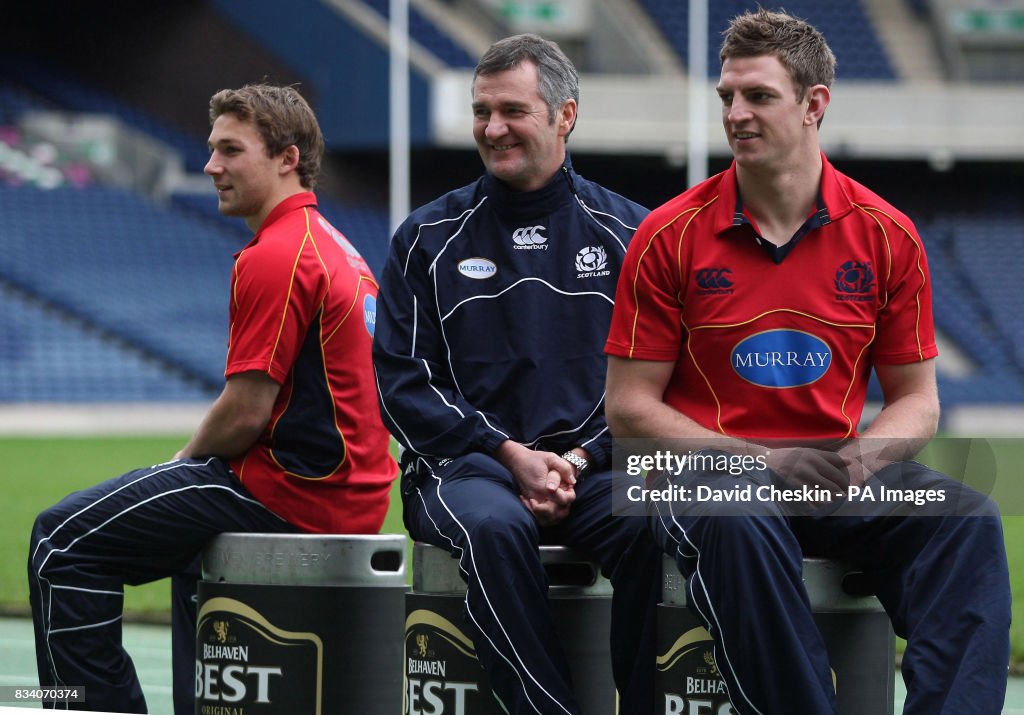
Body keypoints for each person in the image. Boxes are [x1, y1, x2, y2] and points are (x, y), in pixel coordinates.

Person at [604, 8, 1011, 715]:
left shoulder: (888, 234)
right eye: (727, 96)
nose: (736, 113)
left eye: (758, 96)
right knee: (738, 511)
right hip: (705, 477)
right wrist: (761, 460)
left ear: (813, 104)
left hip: (830, 474)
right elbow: (630, 409)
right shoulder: (666, 235)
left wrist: (862, 458)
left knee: (965, 520)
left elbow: (918, 399)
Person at [27, 83, 397, 713]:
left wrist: (182, 460)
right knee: (186, 545)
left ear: (287, 157)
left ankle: (86, 707)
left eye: (230, 150)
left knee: (60, 543)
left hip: (290, 493)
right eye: (211, 149)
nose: (211, 167)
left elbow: (245, 410)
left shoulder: (277, 254)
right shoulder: (335, 244)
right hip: (346, 493)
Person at [373, 33, 659, 715]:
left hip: (595, 468)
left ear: (565, 115)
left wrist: (581, 458)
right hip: (466, 467)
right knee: (494, 527)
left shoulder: (635, 236)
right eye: (481, 112)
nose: (492, 129)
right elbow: (402, 385)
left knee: (659, 517)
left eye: (512, 111)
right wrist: (509, 454)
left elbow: (659, 385)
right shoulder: (425, 239)